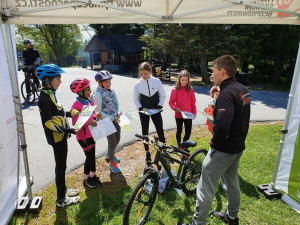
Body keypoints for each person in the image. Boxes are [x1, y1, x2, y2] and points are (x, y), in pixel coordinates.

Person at [177, 55, 251, 225]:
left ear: (223, 71)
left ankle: (197, 222)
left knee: (205, 186)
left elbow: (223, 126)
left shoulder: (227, 94)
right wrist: (218, 94)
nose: (211, 74)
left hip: (223, 149)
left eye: (214, 70)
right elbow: (238, 113)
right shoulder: (242, 89)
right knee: (231, 182)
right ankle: (232, 217)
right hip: (238, 146)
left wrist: (214, 144)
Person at [37, 64, 80, 208]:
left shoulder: (50, 94)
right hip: (57, 138)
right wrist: (69, 130)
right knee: (60, 167)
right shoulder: (44, 98)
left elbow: (57, 113)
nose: (60, 82)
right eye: (58, 78)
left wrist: (69, 113)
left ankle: (64, 190)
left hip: (61, 137)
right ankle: (61, 199)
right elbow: (48, 123)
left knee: (62, 166)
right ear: (48, 79)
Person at [70, 78, 102, 188]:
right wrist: (90, 121)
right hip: (82, 136)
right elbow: (76, 124)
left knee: (93, 155)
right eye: (87, 89)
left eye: (89, 88)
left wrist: (95, 116)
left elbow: (90, 115)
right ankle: (86, 178)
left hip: (91, 134)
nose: (90, 91)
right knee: (89, 156)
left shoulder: (87, 101)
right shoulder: (76, 105)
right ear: (80, 92)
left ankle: (93, 176)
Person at [133, 62, 166, 161]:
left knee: (160, 128)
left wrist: (160, 104)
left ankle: (163, 148)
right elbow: (135, 98)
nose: (143, 76)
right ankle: (147, 151)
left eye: (145, 74)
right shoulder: (138, 84)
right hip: (144, 110)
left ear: (150, 72)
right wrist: (139, 107)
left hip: (155, 109)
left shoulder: (157, 81)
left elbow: (162, 94)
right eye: (142, 74)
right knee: (145, 130)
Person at [91, 70, 122, 173]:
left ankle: (110, 154)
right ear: (100, 83)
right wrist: (112, 118)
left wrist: (119, 111)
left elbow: (117, 103)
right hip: (105, 121)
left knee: (118, 137)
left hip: (115, 118)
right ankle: (111, 162)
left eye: (109, 82)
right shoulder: (97, 94)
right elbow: (98, 111)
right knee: (112, 141)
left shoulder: (112, 91)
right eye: (106, 82)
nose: (108, 84)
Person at [169, 70, 197, 148]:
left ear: (188, 80)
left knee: (188, 132)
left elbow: (193, 102)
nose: (184, 81)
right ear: (179, 79)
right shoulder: (175, 89)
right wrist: (175, 108)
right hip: (179, 115)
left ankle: (184, 146)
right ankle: (179, 145)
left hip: (188, 115)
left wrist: (194, 113)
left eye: (186, 80)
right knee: (179, 131)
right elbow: (171, 102)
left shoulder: (190, 89)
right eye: (182, 80)